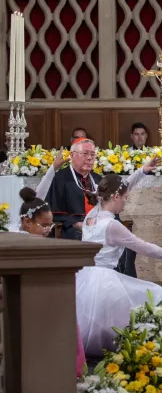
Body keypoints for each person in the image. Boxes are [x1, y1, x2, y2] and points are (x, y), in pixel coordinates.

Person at [78, 157, 162, 356]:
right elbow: (142, 246)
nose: (125, 202)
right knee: (155, 293)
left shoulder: (92, 215)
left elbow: (119, 188)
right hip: (104, 280)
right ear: (115, 197)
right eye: (125, 198)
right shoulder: (112, 225)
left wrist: (142, 171)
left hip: (84, 277)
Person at [13, 151, 86, 377]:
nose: (48, 230)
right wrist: (53, 169)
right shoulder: (15, 238)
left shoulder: (44, 240)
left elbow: (40, 196)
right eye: (44, 225)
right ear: (26, 222)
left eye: (50, 225)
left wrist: (53, 168)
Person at [47, 137, 138, 277]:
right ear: (72, 155)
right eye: (85, 154)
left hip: (101, 227)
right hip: (73, 229)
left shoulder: (98, 179)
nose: (90, 158)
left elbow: (111, 207)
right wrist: (76, 223)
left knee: (127, 245)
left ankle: (123, 284)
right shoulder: (61, 178)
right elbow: (54, 212)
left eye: (93, 154)